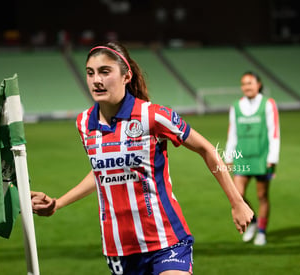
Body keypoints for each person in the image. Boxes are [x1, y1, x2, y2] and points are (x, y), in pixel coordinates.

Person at [31, 41, 254, 275]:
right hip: (119, 248)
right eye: (90, 73)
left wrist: (237, 201)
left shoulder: (152, 115)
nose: (96, 80)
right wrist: (59, 203)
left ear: (126, 76)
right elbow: (102, 173)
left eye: (105, 72)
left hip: (166, 239)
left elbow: (207, 149)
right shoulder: (84, 123)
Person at [224, 71, 280, 246]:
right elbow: (232, 133)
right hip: (242, 157)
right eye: (244, 84)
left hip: (262, 157)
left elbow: (274, 131)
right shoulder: (236, 106)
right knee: (237, 195)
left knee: (262, 195)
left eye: (250, 83)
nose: (247, 87)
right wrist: (228, 156)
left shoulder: (268, 104)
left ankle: (261, 232)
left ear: (259, 84)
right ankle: (253, 222)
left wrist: (273, 157)